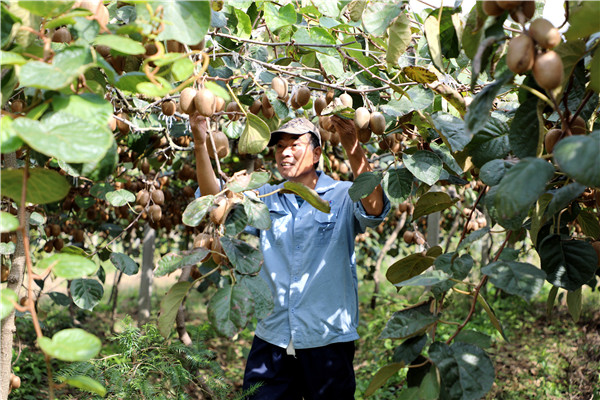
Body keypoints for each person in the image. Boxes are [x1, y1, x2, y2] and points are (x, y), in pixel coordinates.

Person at [192, 113, 390, 399]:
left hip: (327, 338)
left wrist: (352, 146)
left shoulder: (343, 195)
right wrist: (200, 143)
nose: (285, 152)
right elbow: (214, 205)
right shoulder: (263, 197)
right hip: (273, 336)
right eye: (279, 146)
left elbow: (374, 208)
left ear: (317, 153)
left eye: (295, 145)